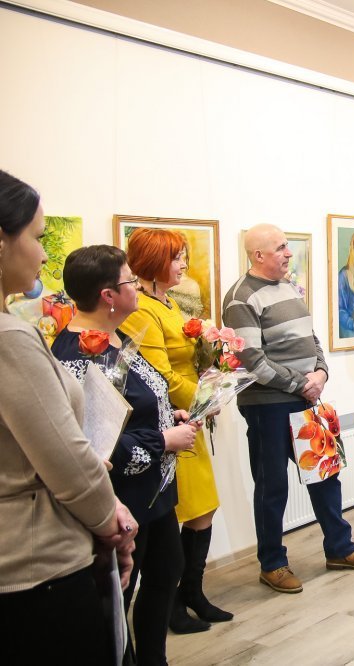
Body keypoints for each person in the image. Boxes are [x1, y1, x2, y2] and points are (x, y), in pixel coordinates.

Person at [0, 170, 137, 664]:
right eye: (37, 237)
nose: (43, 255)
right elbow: (65, 459)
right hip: (39, 568)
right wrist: (110, 522)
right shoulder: (10, 339)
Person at [53, 245, 201, 665]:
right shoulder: (76, 357)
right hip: (122, 498)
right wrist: (163, 441)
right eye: (130, 281)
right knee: (122, 593)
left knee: (166, 571)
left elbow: (134, 404)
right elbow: (91, 443)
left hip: (154, 493)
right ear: (108, 296)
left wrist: (168, 414)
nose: (137, 287)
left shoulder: (117, 339)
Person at [224, 224, 354, 593]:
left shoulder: (288, 286)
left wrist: (322, 372)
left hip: (306, 399)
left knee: (325, 475)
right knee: (272, 487)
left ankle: (340, 549)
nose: (288, 254)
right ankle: (272, 564)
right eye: (280, 248)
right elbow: (253, 362)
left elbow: (310, 338)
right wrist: (302, 383)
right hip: (267, 406)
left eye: (287, 247)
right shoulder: (241, 298)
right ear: (258, 255)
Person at [120, 227, 231, 633]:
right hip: (170, 423)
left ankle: (191, 592)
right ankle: (170, 603)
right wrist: (208, 395)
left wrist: (215, 369)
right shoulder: (143, 311)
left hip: (189, 417)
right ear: (154, 263)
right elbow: (159, 377)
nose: (184, 264)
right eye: (177, 257)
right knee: (181, 515)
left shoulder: (169, 303)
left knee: (204, 509)